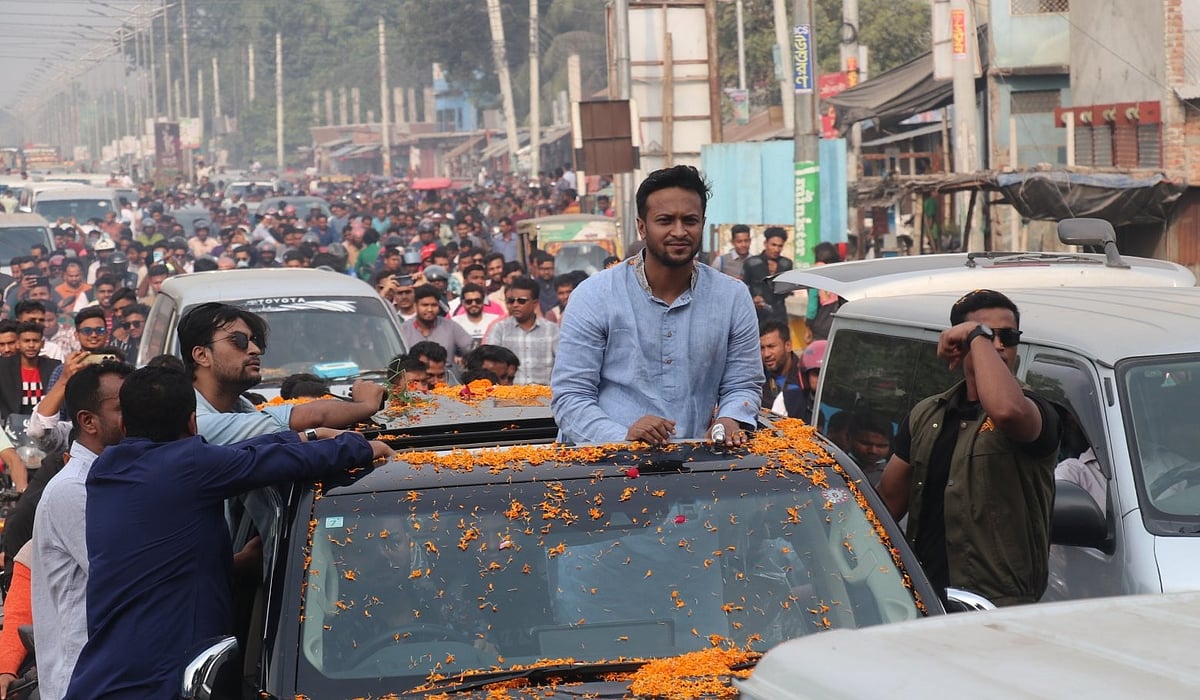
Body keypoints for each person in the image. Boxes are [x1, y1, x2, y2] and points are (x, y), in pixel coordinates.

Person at [63, 366, 393, 699]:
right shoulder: (191, 467)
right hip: (162, 683)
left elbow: (239, 455)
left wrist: (306, 436)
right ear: (192, 423)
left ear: (124, 426)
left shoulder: (107, 469)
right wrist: (361, 448)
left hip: (103, 679)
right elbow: (264, 462)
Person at [551, 165, 763, 446]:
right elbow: (570, 396)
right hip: (602, 471)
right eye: (665, 220)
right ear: (642, 226)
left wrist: (730, 419)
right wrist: (622, 437)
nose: (679, 231)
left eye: (690, 220)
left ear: (702, 223)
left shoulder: (733, 297)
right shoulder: (594, 295)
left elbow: (743, 384)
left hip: (694, 468)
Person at [878, 289, 1061, 606]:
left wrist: (977, 337)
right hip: (926, 602)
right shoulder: (926, 416)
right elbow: (884, 509)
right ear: (958, 346)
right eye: (989, 335)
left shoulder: (1033, 410)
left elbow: (1006, 410)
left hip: (998, 608)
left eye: (1009, 336)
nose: (1000, 345)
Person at [31, 361, 133, 700]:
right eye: (122, 408)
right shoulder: (74, 490)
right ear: (88, 421)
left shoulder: (113, 478)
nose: (134, 416)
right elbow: (126, 575)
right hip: (83, 680)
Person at [180, 302, 387, 444]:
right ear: (201, 355)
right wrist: (366, 405)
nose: (255, 350)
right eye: (239, 341)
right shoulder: (195, 423)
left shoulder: (241, 407)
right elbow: (311, 417)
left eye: (255, 341)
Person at [484, 277, 559, 385]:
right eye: (511, 300)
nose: (515, 305)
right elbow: (489, 365)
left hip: (545, 397)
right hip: (508, 397)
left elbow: (563, 366)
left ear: (535, 303)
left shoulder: (552, 330)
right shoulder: (499, 329)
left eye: (521, 301)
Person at [0, 321, 61, 420]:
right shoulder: (3, 367)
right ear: (18, 344)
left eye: (35, 341)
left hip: (45, 426)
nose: (31, 345)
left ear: (42, 344)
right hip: (10, 427)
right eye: (26, 341)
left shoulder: (54, 367)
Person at [399, 285, 473, 364]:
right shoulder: (403, 330)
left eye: (434, 305)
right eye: (425, 305)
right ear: (415, 305)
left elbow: (472, 350)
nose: (430, 309)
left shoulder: (450, 327)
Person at [741, 227, 794, 321]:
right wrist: (753, 298)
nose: (776, 249)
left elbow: (788, 290)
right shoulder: (752, 263)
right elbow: (744, 286)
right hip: (757, 315)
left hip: (779, 315)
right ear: (765, 244)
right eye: (773, 245)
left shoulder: (786, 264)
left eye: (780, 246)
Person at [759, 319, 804, 418]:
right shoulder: (757, 378)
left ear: (788, 346)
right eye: (762, 348)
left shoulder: (804, 378)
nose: (766, 354)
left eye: (771, 346)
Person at [846, 411, 893, 488]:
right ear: (848, 438)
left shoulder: (893, 475)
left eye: (881, 446)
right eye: (866, 443)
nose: (873, 451)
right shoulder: (831, 467)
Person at [452, 283, 500, 349]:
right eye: (469, 301)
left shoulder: (496, 321)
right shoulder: (454, 323)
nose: (473, 304)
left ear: (483, 301)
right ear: (463, 303)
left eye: (478, 301)